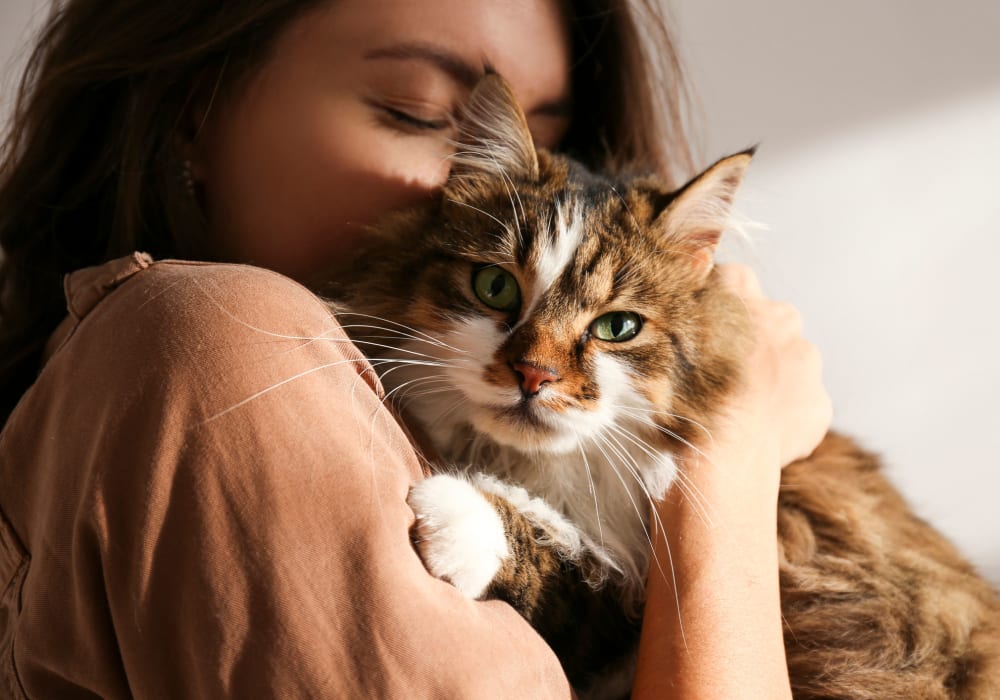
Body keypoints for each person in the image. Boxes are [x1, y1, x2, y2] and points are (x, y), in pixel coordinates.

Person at [0, 0, 831, 697]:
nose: (482, 188)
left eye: (549, 140)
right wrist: (729, 462)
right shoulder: (221, 341)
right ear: (191, 108)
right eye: (424, 114)